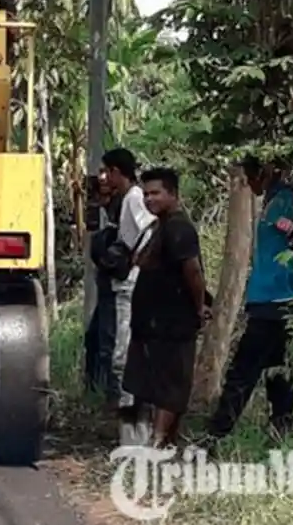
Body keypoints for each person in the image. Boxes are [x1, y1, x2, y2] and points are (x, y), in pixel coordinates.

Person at [206, 157, 293, 442]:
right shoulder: (277, 200)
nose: (249, 183)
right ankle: (282, 429)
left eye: (251, 176)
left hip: (275, 299)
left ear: (264, 173)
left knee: (243, 371)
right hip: (277, 298)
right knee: (278, 369)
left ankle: (217, 433)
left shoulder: (283, 201)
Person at [124, 167, 209, 448]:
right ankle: (159, 441)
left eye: (156, 193)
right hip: (153, 321)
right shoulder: (159, 226)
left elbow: (193, 272)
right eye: (146, 194)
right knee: (158, 383)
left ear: (173, 194)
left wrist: (200, 306)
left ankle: (158, 442)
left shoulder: (179, 228)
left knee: (172, 386)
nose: (149, 199)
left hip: (174, 320)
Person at [100, 147, 156, 442]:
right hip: (128, 284)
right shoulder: (125, 199)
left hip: (131, 285)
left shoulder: (134, 197)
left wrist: (136, 259)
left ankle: (133, 435)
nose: (104, 178)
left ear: (116, 172)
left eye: (107, 172)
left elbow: (150, 229)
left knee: (123, 357)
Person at [86, 168, 123, 399]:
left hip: (117, 286)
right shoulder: (111, 217)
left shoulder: (125, 209)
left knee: (108, 341)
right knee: (95, 338)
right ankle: (96, 388)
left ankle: (111, 392)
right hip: (108, 286)